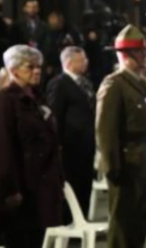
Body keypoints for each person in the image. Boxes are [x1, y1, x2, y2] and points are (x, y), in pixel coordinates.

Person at [0, 45, 64, 248]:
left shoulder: (37, 99)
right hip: (20, 190)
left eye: (39, 67)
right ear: (14, 70)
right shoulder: (3, 101)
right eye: (30, 67)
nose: (37, 71)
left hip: (39, 187)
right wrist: (11, 190)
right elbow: (3, 150)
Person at [95, 25, 146, 248]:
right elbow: (106, 132)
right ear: (125, 55)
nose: (144, 57)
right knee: (122, 227)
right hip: (126, 163)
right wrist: (113, 168)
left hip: (144, 161)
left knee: (140, 224)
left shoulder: (144, 83)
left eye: (144, 51)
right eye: (140, 52)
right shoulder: (115, 84)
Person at [46, 46, 96, 223]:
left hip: (86, 145)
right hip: (69, 147)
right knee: (71, 184)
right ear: (68, 63)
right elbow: (55, 115)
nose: (86, 63)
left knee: (85, 183)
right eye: (81, 60)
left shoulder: (86, 83)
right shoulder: (59, 84)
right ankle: (67, 221)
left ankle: (82, 219)